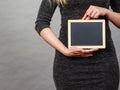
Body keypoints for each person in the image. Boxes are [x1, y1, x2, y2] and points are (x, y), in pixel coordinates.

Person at [35, 0, 120, 90]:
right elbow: (41, 23)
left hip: (103, 66)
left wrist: (107, 12)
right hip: (68, 66)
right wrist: (65, 51)